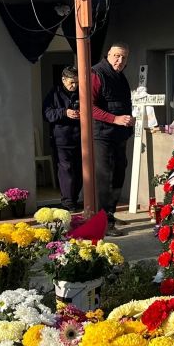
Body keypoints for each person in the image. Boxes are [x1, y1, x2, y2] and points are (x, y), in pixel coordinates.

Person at [91, 43, 135, 237]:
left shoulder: (120, 76)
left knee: (119, 174)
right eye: (116, 56)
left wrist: (129, 122)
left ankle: (110, 214)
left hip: (119, 135)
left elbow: (123, 104)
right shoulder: (97, 74)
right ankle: (103, 222)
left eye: (124, 57)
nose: (120, 60)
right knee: (106, 178)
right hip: (102, 135)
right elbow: (88, 106)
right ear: (108, 55)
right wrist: (114, 119)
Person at [43, 66, 82, 212]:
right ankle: (68, 202)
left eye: (77, 82)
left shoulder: (82, 92)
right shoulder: (54, 93)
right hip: (62, 139)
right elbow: (47, 114)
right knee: (66, 171)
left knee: (79, 171)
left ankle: (74, 199)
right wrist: (65, 112)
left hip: (80, 138)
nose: (74, 85)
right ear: (63, 80)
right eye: (72, 82)